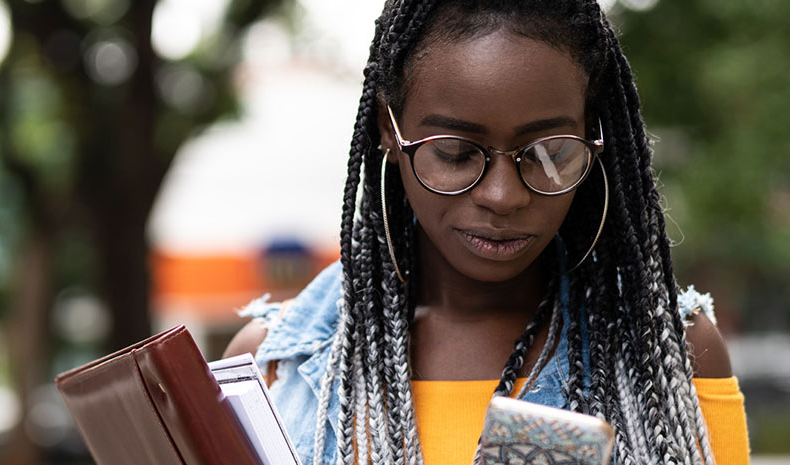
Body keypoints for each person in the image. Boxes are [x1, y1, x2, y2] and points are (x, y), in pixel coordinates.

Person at [224, 1, 749, 463]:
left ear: (593, 133)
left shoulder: (672, 349)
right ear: (389, 127)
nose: (503, 196)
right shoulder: (270, 368)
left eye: (549, 153)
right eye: (455, 153)